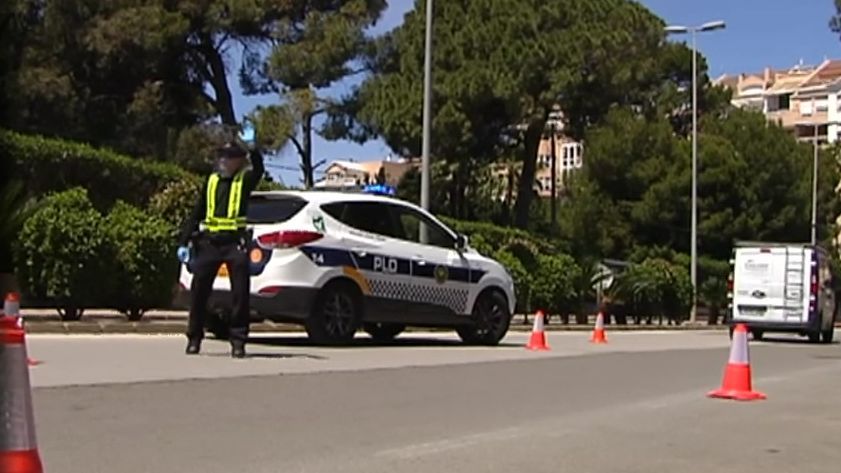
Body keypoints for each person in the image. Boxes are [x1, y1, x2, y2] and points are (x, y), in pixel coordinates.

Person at [177, 141, 264, 358]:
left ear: (238, 161)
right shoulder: (212, 182)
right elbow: (198, 212)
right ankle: (194, 338)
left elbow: (259, 169)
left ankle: (238, 341)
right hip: (210, 244)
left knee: (240, 294)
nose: (223, 161)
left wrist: (253, 148)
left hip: (234, 244)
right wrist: (183, 241)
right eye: (221, 157)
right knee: (199, 292)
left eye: (228, 157)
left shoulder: (244, 181)